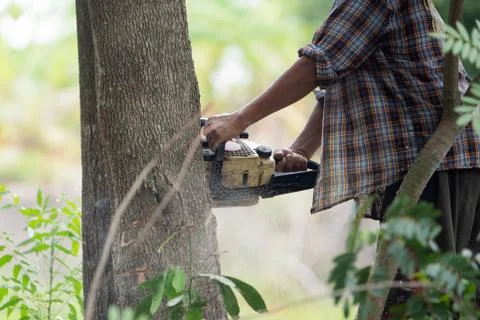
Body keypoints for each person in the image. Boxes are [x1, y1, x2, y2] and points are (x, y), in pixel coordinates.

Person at [203, 0, 480, 317]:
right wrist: (302, 149)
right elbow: (342, 73)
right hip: (438, 165)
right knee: (432, 297)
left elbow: (318, 64)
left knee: (419, 302)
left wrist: (238, 121)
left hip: (436, 165)